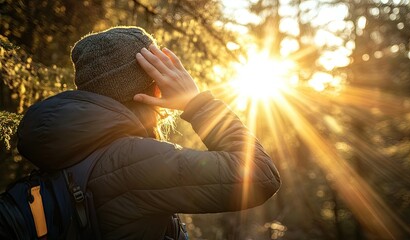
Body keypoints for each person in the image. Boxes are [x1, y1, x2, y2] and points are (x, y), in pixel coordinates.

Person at [17, 26, 281, 239]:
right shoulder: (134, 162)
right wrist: (198, 104)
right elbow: (261, 175)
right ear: (155, 92)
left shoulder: (68, 149)